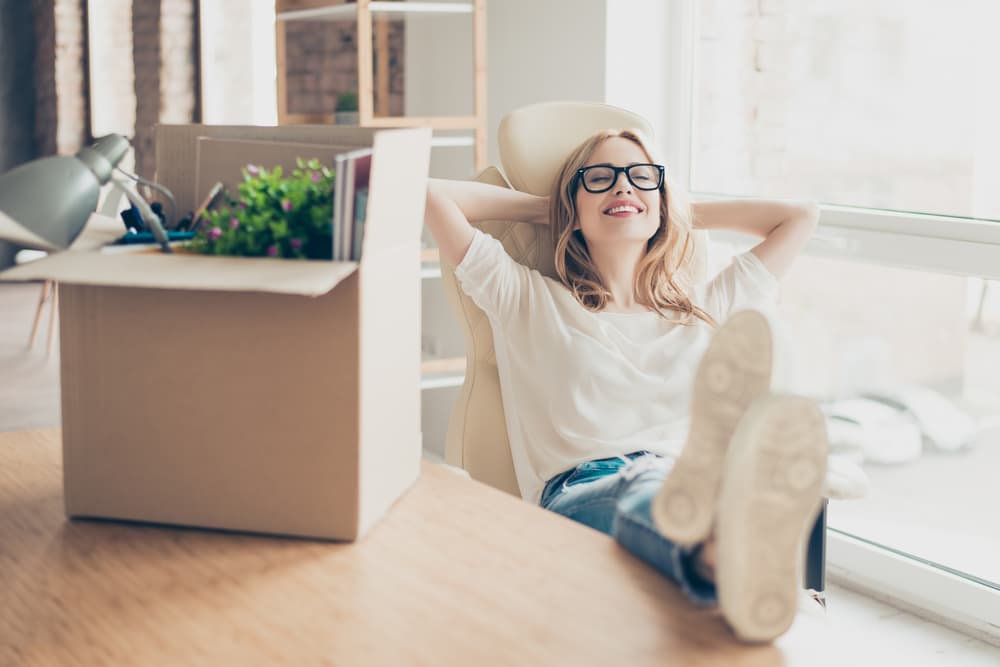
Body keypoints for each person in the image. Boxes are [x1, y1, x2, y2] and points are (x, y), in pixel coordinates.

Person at [423, 127, 828, 643]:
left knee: (678, 502)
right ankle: (729, 546)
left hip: (689, 483)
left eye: (641, 177)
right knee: (649, 486)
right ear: (572, 204)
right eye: (600, 179)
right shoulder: (526, 300)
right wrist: (551, 207)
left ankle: (721, 552)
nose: (622, 188)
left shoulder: (705, 308)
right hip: (583, 494)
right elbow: (431, 195)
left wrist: (667, 209)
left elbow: (800, 217)